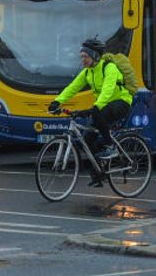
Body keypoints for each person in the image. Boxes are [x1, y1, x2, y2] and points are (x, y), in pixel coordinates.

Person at [48, 37, 133, 187]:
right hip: (103, 105)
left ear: (94, 56)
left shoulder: (109, 68)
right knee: (86, 140)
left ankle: (110, 147)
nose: (83, 60)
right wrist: (57, 101)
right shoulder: (87, 72)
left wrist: (96, 106)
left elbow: (108, 90)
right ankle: (99, 172)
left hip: (121, 102)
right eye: (81, 57)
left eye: (85, 56)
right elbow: (73, 87)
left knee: (100, 113)